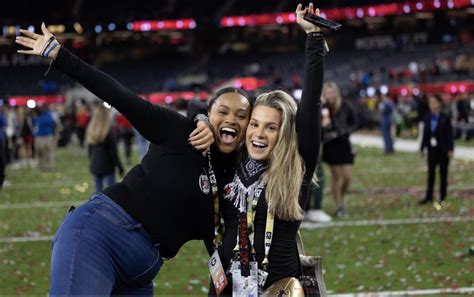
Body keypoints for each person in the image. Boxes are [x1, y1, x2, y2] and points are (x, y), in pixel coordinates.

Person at [16, 24, 252, 295]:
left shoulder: (236, 179)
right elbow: (119, 95)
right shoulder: (178, 130)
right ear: (209, 115)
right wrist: (61, 56)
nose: (231, 119)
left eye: (241, 116)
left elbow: (220, 247)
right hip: (101, 234)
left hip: (141, 270)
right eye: (223, 111)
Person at [209, 4, 326, 294]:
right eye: (255, 124)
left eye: (270, 127)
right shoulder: (232, 159)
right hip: (226, 286)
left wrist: (313, 40)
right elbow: (202, 110)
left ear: (284, 133)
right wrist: (201, 118)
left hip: (277, 288)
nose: (258, 134)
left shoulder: (296, 166)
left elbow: (310, 106)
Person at [321, 81, 357, 218]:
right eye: (327, 92)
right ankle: (339, 205)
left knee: (347, 178)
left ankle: (340, 198)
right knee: (336, 177)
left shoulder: (345, 105)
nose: (330, 95)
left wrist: (345, 131)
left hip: (344, 144)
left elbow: (355, 122)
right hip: (331, 146)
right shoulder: (323, 108)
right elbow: (319, 128)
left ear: (336, 92)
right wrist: (325, 129)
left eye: (332, 92)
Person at [419, 94, 454, 206]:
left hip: (443, 150)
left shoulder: (445, 117)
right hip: (432, 150)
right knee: (431, 174)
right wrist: (422, 147)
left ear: (439, 104)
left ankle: (442, 196)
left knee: (443, 174)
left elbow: (450, 134)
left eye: (434, 102)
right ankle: (429, 196)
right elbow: (425, 134)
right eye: (430, 103)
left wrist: (450, 149)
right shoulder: (427, 117)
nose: (432, 105)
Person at [85, 105, 124, 192]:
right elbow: (114, 153)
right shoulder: (108, 133)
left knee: (97, 192)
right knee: (111, 193)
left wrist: (92, 162)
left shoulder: (91, 131)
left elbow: (90, 151)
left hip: (95, 165)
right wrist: (120, 168)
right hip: (107, 166)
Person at [32, 104, 57, 171]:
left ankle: (49, 166)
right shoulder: (36, 115)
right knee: (39, 152)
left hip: (47, 136)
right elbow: (34, 123)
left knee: (48, 152)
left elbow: (49, 122)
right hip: (39, 136)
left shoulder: (48, 114)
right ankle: (41, 166)